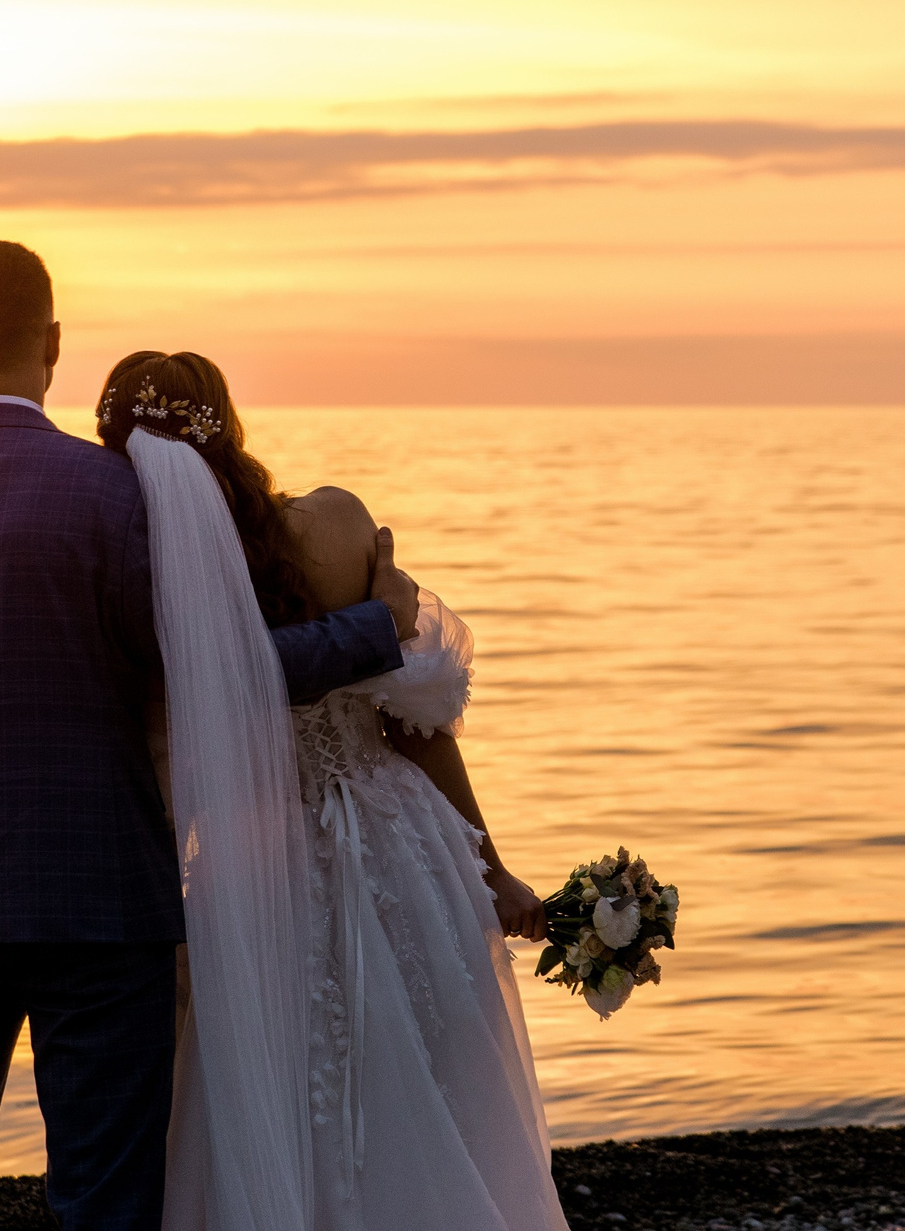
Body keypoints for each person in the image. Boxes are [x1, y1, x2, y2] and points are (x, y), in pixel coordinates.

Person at [0, 240, 419, 1231]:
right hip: (102, 905)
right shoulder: (118, 498)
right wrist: (375, 625)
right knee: (103, 1201)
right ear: (51, 343)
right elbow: (225, 672)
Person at [101, 350, 571, 1231]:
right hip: (400, 842)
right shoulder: (336, 524)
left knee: (279, 1085)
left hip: (253, 873)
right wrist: (492, 869)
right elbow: (413, 724)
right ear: (228, 424)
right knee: (438, 1079)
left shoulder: (143, 571)